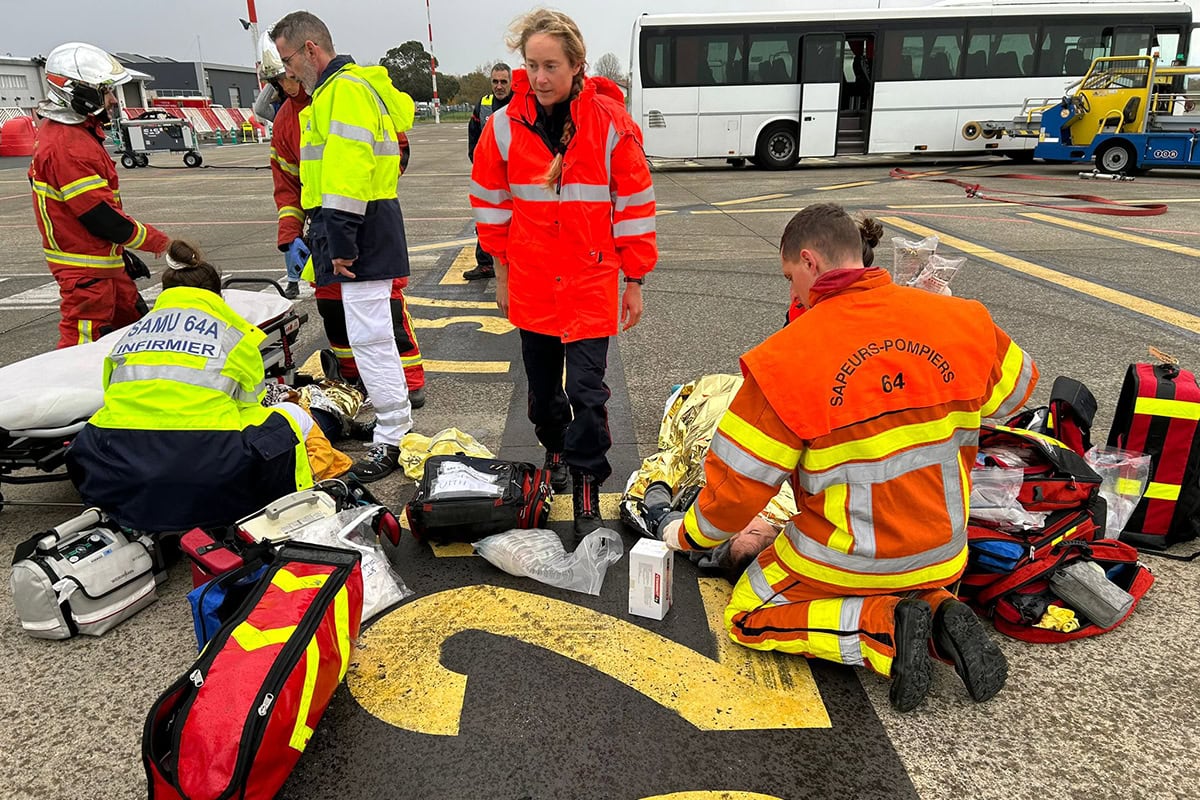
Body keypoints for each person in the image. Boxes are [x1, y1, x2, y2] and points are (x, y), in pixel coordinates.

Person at [654, 203, 1038, 712]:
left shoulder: (785, 361)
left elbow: (737, 491)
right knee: (903, 583)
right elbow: (1012, 400)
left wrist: (684, 535)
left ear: (810, 263)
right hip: (943, 553)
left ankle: (886, 632)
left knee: (750, 611)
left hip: (846, 557)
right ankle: (938, 610)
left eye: (790, 276)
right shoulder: (962, 319)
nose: (791, 292)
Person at [470, 9, 657, 536]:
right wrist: (502, 273)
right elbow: (491, 205)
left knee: (588, 391)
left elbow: (636, 207)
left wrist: (635, 279)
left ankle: (587, 477)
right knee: (544, 391)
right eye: (532, 65)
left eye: (551, 65)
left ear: (578, 66)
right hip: (531, 284)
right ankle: (554, 447)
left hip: (591, 284)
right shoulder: (503, 128)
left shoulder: (612, 126)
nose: (541, 77)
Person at [66, 240, 344, 532]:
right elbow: (251, 404)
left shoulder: (131, 336)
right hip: (206, 461)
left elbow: (112, 393)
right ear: (214, 294)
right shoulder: (233, 336)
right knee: (291, 415)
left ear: (166, 292)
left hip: (120, 454)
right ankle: (309, 488)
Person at [272, 10, 418, 481]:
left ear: (311, 49)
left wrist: (342, 242)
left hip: (359, 225)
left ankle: (394, 434)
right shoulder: (347, 90)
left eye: (288, 59)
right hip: (358, 223)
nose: (287, 71)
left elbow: (348, 176)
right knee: (369, 334)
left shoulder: (344, 93)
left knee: (371, 336)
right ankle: (394, 425)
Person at [29, 42, 171, 349]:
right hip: (86, 274)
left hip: (103, 263)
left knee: (138, 331)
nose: (111, 100)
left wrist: (119, 252)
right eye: (104, 91)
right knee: (81, 351)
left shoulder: (79, 133)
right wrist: (164, 244)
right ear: (77, 92)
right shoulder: (67, 145)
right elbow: (100, 217)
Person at [463, 62, 512, 281]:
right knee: (486, 218)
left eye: (503, 81)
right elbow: (473, 135)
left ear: (511, 82)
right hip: (490, 175)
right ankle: (485, 263)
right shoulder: (482, 105)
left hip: (515, 175)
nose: (499, 86)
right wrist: (478, 161)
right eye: (495, 81)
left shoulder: (521, 103)